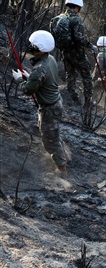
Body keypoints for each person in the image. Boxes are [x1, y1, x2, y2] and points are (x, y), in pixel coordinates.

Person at [11, 30, 67, 173]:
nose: (30, 46)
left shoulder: (39, 68)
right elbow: (42, 79)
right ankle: (64, 157)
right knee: (53, 134)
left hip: (49, 109)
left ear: (40, 49)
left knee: (49, 141)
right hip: (56, 103)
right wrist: (31, 77)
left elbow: (28, 90)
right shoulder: (50, 59)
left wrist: (19, 79)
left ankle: (62, 168)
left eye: (33, 45)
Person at [53, 0, 97, 106]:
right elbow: (79, 37)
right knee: (86, 76)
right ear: (78, 7)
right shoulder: (76, 19)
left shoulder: (60, 17)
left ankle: (72, 98)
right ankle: (88, 102)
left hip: (65, 52)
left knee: (70, 74)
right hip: (77, 53)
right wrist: (90, 46)